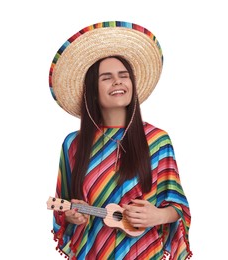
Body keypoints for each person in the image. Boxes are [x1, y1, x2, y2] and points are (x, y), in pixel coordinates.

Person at [48, 21, 192, 260]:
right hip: (93, 252)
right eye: (107, 77)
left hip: (144, 253)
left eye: (123, 75)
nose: (117, 81)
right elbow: (64, 205)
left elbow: (177, 205)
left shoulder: (157, 140)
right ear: (92, 89)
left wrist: (158, 216)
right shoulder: (73, 144)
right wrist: (72, 215)